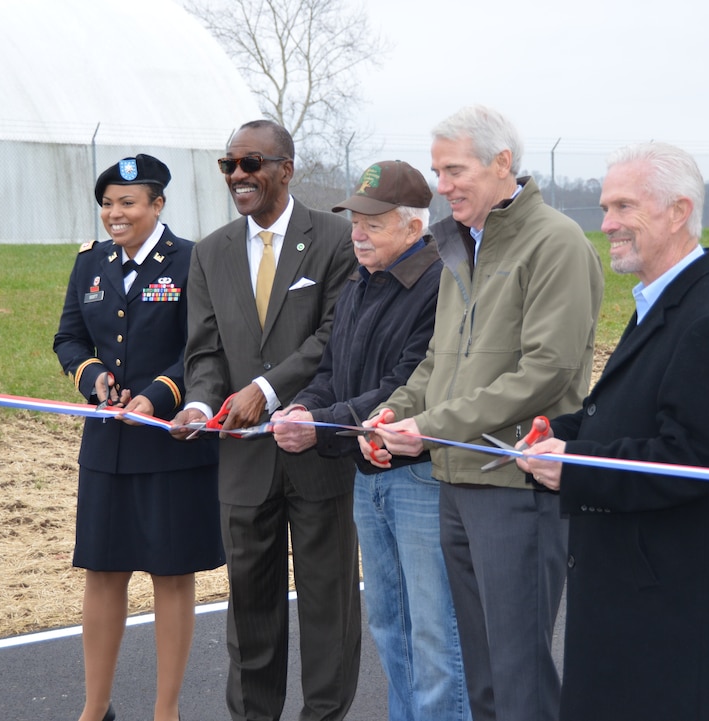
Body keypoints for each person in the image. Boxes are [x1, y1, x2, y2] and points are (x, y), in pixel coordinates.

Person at [361, 106, 605, 721]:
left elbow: (545, 369)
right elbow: (437, 363)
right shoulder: (460, 246)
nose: (442, 185)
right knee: (485, 679)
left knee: (521, 678)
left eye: (454, 169)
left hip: (515, 485)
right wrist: (395, 413)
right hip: (457, 482)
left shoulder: (556, 243)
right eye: (438, 171)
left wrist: (433, 427)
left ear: (502, 165)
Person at [518, 142, 709, 720]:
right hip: (637, 602)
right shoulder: (667, 303)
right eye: (607, 207)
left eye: (623, 207)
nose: (606, 224)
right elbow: (630, 414)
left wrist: (575, 465)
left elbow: (689, 459)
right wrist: (555, 432)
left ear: (678, 211)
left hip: (674, 618)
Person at [170, 120, 359, 721]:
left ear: (286, 169)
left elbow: (335, 336)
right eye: (228, 165)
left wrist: (266, 389)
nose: (238, 177)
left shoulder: (335, 238)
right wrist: (200, 404)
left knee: (329, 609)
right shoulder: (211, 251)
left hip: (317, 457)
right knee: (250, 613)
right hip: (243, 463)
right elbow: (203, 351)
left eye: (251, 163)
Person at [272, 160, 470, 721]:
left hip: (421, 478)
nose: (357, 234)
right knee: (390, 626)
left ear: (413, 226)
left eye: (373, 223)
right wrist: (305, 408)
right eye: (355, 220)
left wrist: (323, 424)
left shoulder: (442, 286)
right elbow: (334, 369)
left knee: (435, 633)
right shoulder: (361, 282)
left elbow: (405, 385)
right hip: (368, 476)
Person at [53, 154, 223, 721]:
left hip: (170, 443)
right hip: (108, 445)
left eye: (127, 202)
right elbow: (68, 339)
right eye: (107, 204)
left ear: (158, 205)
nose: (113, 214)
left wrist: (158, 393)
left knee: (171, 574)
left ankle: (165, 711)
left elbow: (202, 348)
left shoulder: (193, 261)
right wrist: (92, 377)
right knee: (103, 570)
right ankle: (94, 708)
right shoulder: (90, 264)